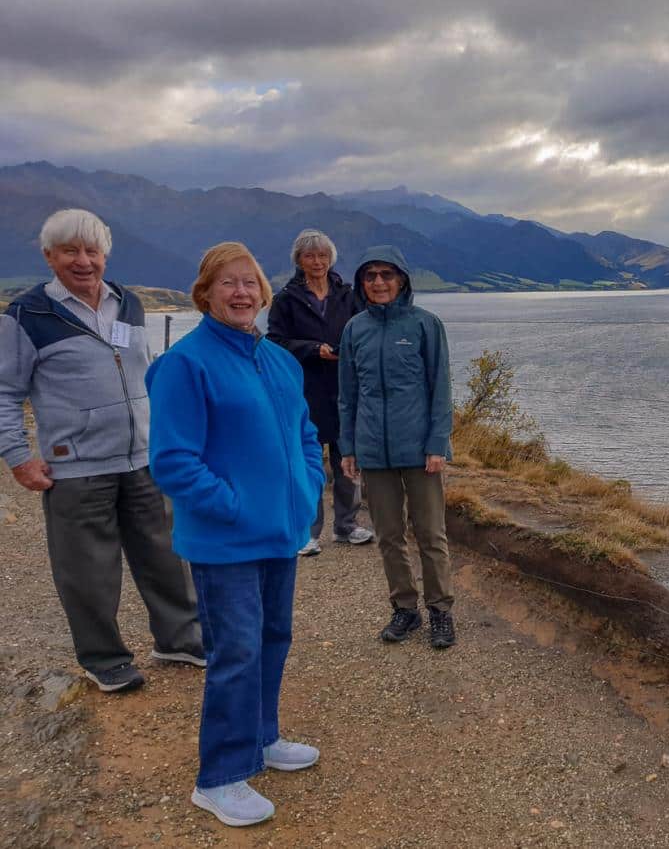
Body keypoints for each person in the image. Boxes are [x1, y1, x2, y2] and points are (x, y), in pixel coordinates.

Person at [146, 242, 324, 828]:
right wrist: (237, 507)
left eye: (250, 283)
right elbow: (173, 461)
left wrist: (307, 487)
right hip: (225, 540)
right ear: (205, 294)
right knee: (236, 650)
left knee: (274, 636)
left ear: (264, 294)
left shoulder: (278, 360)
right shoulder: (186, 363)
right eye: (228, 283)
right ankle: (219, 775)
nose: (242, 293)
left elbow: (303, 431)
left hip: (280, 532)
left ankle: (262, 738)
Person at [0, 208, 203, 694]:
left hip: (144, 459)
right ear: (50, 256)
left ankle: (179, 638)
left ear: (105, 254)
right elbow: (5, 391)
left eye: (92, 250)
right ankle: (104, 658)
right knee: (88, 570)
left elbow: (143, 373)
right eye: (70, 250)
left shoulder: (128, 304)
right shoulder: (28, 314)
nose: (83, 261)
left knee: (167, 556)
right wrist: (18, 456)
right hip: (77, 467)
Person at [337, 246, 456, 648]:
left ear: (402, 279)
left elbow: (441, 389)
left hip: (421, 450)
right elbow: (347, 395)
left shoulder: (426, 325)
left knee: (430, 534)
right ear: (362, 283)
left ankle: (441, 610)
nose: (378, 282)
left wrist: (438, 443)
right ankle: (405, 609)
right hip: (373, 450)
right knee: (388, 536)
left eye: (387, 275)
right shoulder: (355, 329)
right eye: (370, 276)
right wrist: (348, 446)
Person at [267, 229, 373, 556]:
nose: (318, 262)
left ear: (331, 258)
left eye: (323, 255)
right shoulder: (286, 299)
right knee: (309, 462)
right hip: (306, 391)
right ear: (299, 260)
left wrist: (344, 349)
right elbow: (276, 341)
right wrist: (313, 349)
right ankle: (309, 532)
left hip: (343, 388)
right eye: (310, 256)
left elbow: (362, 331)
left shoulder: (347, 294)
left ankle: (347, 526)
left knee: (347, 460)